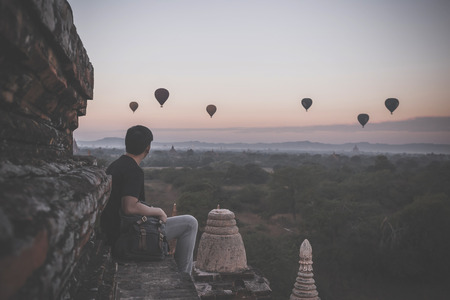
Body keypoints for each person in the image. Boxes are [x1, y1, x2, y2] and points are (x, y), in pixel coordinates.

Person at [100, 125, 198, 274]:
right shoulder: (133, 170)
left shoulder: (115, 166)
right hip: (127, 237)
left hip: (114, 234)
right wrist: (158, 211)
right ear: (148, 148)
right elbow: (129, 207)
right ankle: (184, 276)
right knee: (190, 223)